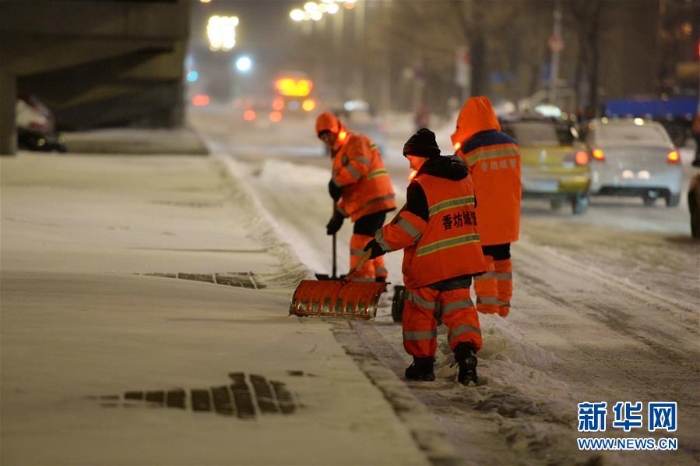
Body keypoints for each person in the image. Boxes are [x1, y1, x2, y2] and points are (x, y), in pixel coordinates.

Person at [363, 128, 486, 385]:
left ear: (420, 156)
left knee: (420, 312)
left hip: (430, 263)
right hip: (462, 260)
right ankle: (467, 355)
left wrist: (380, 243)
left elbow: (411, 227)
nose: (410, 164)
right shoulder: (464, 177)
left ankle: (423, 365)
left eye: (410, 159)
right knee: (460, 311)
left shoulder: (421, 185)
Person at [451, 96, 521, 318]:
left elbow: (457, 182)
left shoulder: (469, 149)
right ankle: (503, 305)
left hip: (480, 217)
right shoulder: (512, 144)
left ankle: (487, 309)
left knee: (484, 263)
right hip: (507, 214)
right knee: (503, 260)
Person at [315, 111, 397, 282]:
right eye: (322, 137)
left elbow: (359, 167)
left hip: (373, 199)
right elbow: (353, 189)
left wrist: (337, 181)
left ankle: (363, 282)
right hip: (369, 200)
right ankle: (379, 277)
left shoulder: (354, 141)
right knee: (371, 241)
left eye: (328, 134)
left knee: (360, 242)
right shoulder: (340, 151)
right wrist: (338, 214)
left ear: (335, 130)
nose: (326, 140)